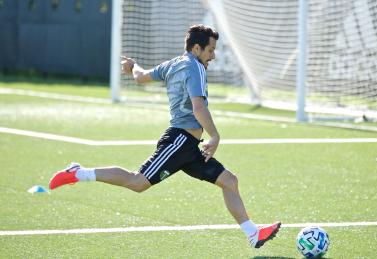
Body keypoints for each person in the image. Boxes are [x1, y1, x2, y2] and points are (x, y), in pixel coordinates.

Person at [49, 24, 280, 248]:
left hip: (189, 146)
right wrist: (215, 136)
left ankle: (253, 234)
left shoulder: (173, 64)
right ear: (196, 49)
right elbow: (198, 107)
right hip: (179, 141)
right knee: (137, 182)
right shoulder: (195, 67)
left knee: (229, 181)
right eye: (210, 50)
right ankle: (78, 173)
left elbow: (140, 77)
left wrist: (133, 66)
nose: (213, 56)